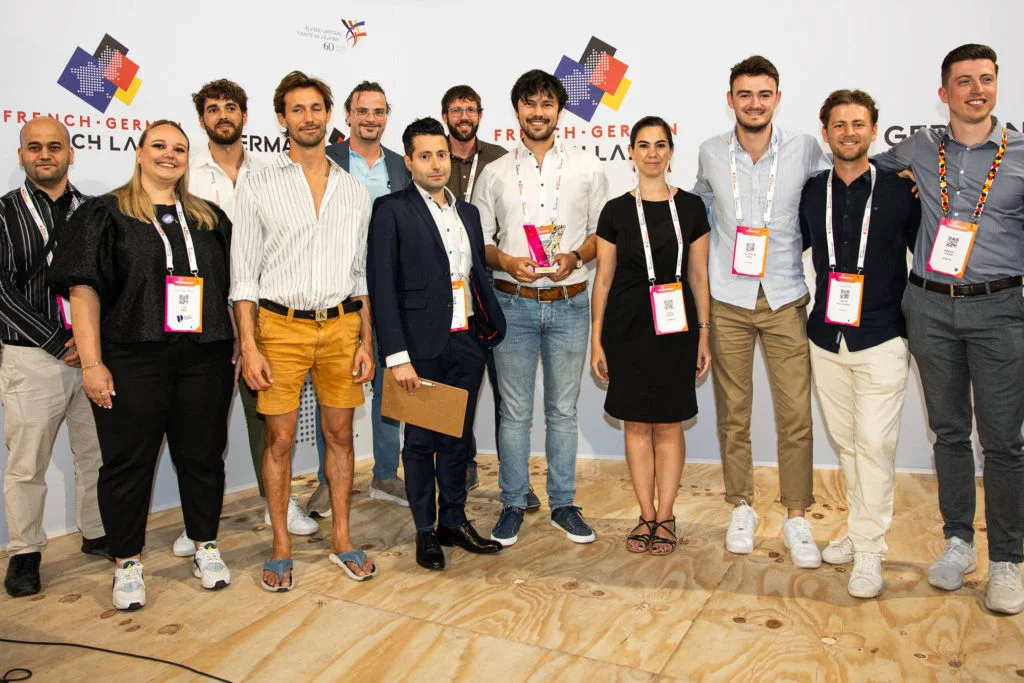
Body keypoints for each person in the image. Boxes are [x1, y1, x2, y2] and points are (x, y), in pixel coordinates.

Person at [48, 120, 235, 610]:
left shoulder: (210, 218)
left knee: (202, 457)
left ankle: (205, 545)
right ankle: (127, 562)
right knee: (127, 466)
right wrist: (92, 363)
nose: (168, 155)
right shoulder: (103, 214)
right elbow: (83, 291)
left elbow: (232, 290)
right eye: (159, 146)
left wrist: (239, 346)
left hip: (205, 356)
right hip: (133, 357)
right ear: (138, 152)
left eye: (178, 148)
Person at [873, 44, 1024, 614]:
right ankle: (959, 541)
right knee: (950, 432)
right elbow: (866, 169)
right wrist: (904, 186)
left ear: (996, 86)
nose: (976, 90)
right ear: (944, 93)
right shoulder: (919, 147)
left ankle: (1008, 558)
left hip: (1000, 308)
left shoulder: (1020, 153)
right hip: (930, 307)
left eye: (985, 79)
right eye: (964, 81)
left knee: (1005, 441)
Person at [232, 71, 376, 591]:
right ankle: (281, 545)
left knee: (340, 436)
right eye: (298, 110)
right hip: (279, 328)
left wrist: (366, 340)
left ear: (329, 115)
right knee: (280, 441)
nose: (309, 118)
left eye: (317, 108)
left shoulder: (355, 190)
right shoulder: (258, 183)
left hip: (341, 327)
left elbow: (361, 274)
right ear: (281, 119)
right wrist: (248, 345)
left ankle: (341, 538)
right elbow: (243, 275)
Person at [171, 78, 317, 558]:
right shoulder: (184, 176)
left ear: (245, 116)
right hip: (207, 315)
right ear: (202, 120)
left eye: (230, 107)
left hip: (264, 308)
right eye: (212, 109)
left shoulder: (273, 171)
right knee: (203, 422)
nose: (222, 115)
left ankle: (280, 502)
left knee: (268, 418)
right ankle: (200, 520)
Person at [693, 55, 828, 568]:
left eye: (764, 94)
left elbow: (827, 201)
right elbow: (702, 211)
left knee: (795, 416)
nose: (754, 103)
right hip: (728, 299)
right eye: (744, 94)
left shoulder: (805, 149)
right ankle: (741, 505)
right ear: (730, 99)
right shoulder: (709, 152)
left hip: (786, 296)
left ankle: (796, 516)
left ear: (777, 97)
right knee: (734, 416)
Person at [473, 69, 609, 546]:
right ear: (516, 111)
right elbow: (480, 243)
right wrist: (507, 260)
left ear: (559, 110)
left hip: (570, 303)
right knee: (513, 414)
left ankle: (564, 503)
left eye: (546, 103)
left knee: (563, 412)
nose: (537, 112)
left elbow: (600, 236)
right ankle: (512, 502)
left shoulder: (589, 168)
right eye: (528, 104)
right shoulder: (494, 173)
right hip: (513, 305)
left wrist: (574, 257)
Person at [367, 117, 506, 569]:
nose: (435, 164)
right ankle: (425, 530)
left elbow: (475, 275)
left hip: (465, 342)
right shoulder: (391, 210)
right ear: (408, 161)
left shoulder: (467, 212)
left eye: (441, 154)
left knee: (457, 439)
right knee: (421, 442)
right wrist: (397, 357)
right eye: (424, 156)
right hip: (418, 349)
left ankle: (454, 520)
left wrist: (487, 331)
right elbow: (382, 288)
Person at [800, 90, 919, 598]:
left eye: (859, 124)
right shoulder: (810, 191)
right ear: (825, 133)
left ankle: (871, 551)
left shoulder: (902, 191)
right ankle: (858, 528)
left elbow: (927, 254)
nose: (849, 132)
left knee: (874, 445)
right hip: (826, 338)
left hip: (882, 337)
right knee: (849, 444)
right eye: (839, 125)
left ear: (874, 131)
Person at [591, 116, 711, 556]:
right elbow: (602, 280)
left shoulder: (693, 208)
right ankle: (645, 514)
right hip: (626, 329)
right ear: (631, 153)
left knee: (669, 423)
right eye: (643, 145)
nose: (652, 153)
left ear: (671, 152)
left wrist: (703, 334)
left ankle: (667, 515)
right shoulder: (616, 211)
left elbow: (699, 278)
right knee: (636, 423)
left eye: (661, 145)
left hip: (677, 327)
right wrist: (596, 340)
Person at [1, 118, 110, 598]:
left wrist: (89, 346)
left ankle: (96, 531)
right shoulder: (4, 214)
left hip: (92, 358)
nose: (45, 154)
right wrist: (54, 340)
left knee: (96, 453)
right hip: (31, 358)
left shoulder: (96, 212)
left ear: (71, 153)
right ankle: (25, 551)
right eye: (34, 147)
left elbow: (111, 280)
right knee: (28, 464)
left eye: (54, 146)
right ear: (21, 155)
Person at [298, 80, 413, 515]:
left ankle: (386, 474)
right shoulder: (325, 160)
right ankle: (330, 480)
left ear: (387, 116)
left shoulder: (402, 167)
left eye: (379, 111)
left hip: (391, 291)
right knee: (335, 389)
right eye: (362, 111)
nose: (371, 119)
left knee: (391, 384)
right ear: (346, 116)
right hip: (338, 290)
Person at [440, 84, 516, 496]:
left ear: (481, 115)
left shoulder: (501, 161)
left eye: (470, 109)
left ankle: (512, 475)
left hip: (495, 289)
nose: (463, 116)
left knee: (506, 393)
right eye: (456, 110)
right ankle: (461, 466)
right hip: (450, 293)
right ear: (445, 115)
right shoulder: (433, 158)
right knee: (457, 389)